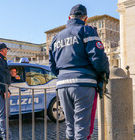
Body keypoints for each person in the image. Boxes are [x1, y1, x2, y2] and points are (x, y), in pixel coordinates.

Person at [48, 4, 109, 140]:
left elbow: (52, 65)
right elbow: (98, 58)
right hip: (84, 83)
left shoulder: (56, 37)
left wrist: (63, 75)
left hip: (63, 85)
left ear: (69, 18)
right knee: (83, 128)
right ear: (85, 18)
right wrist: (103, 75)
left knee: (70, 126)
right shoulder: (87, 31)